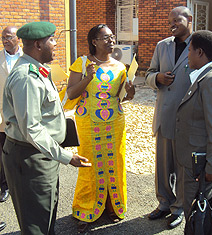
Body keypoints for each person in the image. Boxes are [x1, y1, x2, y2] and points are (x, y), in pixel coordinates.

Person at [2, 21, 91, 235]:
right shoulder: (27, 77)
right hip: (31, 159)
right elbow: (31, 129)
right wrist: (67, 157)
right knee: (37, 226)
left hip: (41, 156)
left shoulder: (38, 70)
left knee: (46, 217)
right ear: (38, 45)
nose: (56, 44)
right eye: (51, 40)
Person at [66, 24, 135, 233]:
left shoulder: (120, 67)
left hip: (114, 121)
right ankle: (86, 208)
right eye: (105, 37)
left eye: (112, 37)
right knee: (90, 162)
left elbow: (124, 97)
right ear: (94, 41)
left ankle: (113, 204)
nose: (110, 40)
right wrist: (88, 77)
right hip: (88, 122)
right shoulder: (82, 63)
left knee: (115, 160)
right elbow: (70, 94)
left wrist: (131, 92)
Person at [175, 30, 212, 219]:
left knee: (197, 217)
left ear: (200, 53)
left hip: (201, 164)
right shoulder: (206, 76)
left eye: (190, 50)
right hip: (196, 160)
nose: (188, 55)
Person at [145, 6, 193, 229]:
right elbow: (148, 74)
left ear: (189, 19)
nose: (172, 24)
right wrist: (158, 78)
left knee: (183, 167)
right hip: (164, 115)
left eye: (177, 19)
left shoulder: (201, 45)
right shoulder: (162, 46)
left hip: (187, 118)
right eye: (170, 21)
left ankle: (179, 208)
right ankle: (164, 203)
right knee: (163, 166)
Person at [0, 26, 22, 203]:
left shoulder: (27, 58)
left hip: (23, 113)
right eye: (3, 38)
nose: (5, 40)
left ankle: (21, 182)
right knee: (3, 151)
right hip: (2, 115)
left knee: (23, 148)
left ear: (18, 38)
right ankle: (4, 185)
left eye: (8, 37)